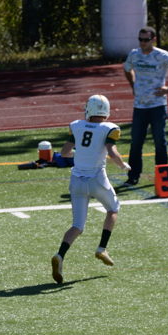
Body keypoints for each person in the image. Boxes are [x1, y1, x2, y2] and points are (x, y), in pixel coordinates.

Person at [51, 94, 130, 285]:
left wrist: (81, 153)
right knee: (113, 209)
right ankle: (102, 248)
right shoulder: (110, 128)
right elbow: (112, 152)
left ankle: (60, 255)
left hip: (77, 180)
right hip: (97, 179)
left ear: (89, 109)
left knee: (77, 226)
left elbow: (64, 152)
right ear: (106, 111)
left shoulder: (77, 125)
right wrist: (122, 165)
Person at [123, 26, 168, 186]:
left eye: (146, 40)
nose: (142, 43)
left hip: (157, 106)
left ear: (153, 40)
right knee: (136, 142)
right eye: (140, 39)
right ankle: (133, 176)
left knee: (160, 141)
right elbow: (127, 69)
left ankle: (163, 176)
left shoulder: (162, 55)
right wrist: (133, 84)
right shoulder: (134, 54)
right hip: (139, 107)